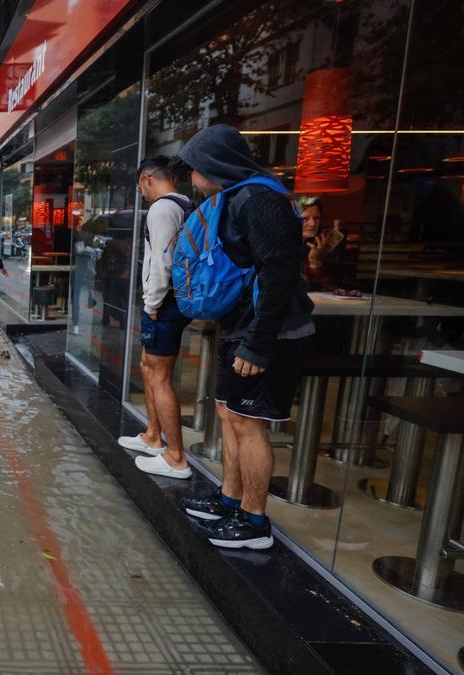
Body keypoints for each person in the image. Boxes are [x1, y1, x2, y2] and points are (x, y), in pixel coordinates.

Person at [176, 124, 315, 550]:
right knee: (230, 415)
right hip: (239, 328)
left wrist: (258, 342)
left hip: (265, 334)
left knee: (249, 424)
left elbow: (278, 274)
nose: (193, 178)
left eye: (195, 169)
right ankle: (230, 499)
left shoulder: (261, 200)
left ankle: (254, 522)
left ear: (214, 165)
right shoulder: (237, 199)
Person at [118, 157, 194, 480]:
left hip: (164, 303)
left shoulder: (163, 209)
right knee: (148, 367)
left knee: (159, 375)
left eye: (140, 188)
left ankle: (176, 457)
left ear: (148, 179)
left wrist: (151, 304)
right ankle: (152, 436)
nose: (142, 194)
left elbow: (161, 261)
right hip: (169, 301)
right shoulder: (185, 205)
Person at [299, 198, 358, 294]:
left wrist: (316, 263)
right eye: (305, 219)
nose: (312, 224)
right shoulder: (280, 245)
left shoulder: (322, 244)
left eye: (316, 218)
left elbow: (330, 288)